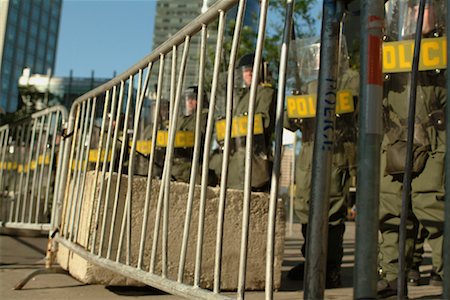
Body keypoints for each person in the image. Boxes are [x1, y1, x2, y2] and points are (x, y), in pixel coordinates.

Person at [377, 0, 446, 297]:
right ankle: (393, 275)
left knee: (432, 205)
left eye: (424, 7)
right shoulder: (390, 49)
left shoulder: (442, 46)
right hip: (395, 139)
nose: (417, 14)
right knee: (392, 208)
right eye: (412, 9)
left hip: (435, 137)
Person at [284, 37, 359, 288]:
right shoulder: (307, 85)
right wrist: (293, 107)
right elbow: (287, 121)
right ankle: (312, 261)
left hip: (335, 154)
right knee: (307, 209)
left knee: (332, 212)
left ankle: (332, 267)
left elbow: (354, 110)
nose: (319, 58)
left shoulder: (350, 79)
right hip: (307, 155)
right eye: (315, 54)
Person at [210, 53, 275, 191]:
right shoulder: (237, 98)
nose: (249, 74)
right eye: (246, 70)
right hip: (234, 165)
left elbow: (265, 123)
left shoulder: (265, 92)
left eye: (253, 69)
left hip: (254, 163)